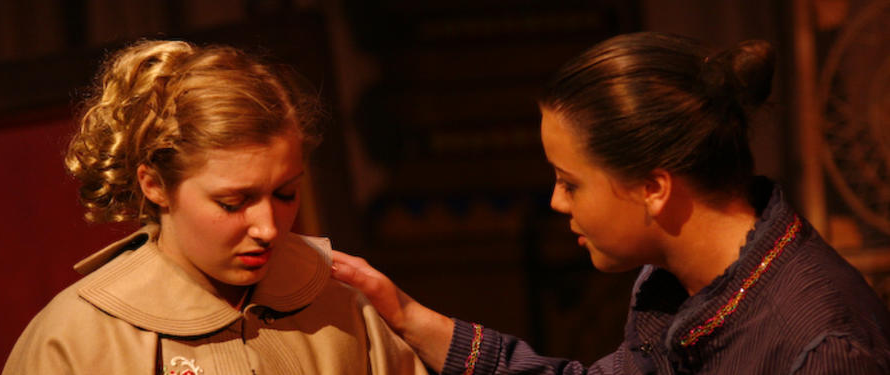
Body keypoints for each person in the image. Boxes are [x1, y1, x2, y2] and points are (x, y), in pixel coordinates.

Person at [331, 32, 890, 374]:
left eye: (570, 182)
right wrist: (406, 315)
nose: (555, 201)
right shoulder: (675, 283)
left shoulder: (823, 345)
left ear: (653, 187)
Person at [3, 40, 426, 374]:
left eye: (285, 194)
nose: (269, 228)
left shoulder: (341, 308)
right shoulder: (77, 338)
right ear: (154, 185)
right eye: (233, 202)